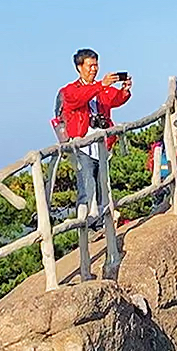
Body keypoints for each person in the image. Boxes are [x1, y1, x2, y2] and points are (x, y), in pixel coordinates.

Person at [53, 51, 131, 223]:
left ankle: (103, 221)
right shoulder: (70, 90)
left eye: (96, 65)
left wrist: (124, 91)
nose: (94, 69)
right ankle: (89, 223)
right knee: (87, 185)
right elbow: (79, 99)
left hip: (102, 143)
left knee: (103, 183)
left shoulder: (100, 88)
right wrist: (101, 85)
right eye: (90, 65)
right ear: (79, 67)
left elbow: (114, 99)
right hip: (82, 144)